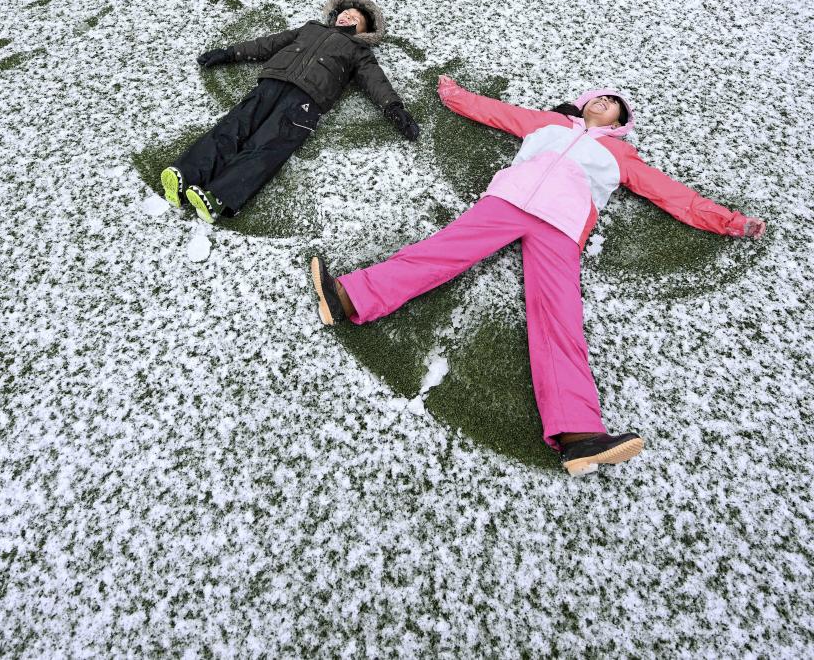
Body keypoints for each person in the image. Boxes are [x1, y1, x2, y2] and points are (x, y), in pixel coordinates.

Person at [310, 75, 766, 477]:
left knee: (558, 318)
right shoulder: (547, 124)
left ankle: (580, 434)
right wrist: (453, 94)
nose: (605, 104)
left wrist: (729, 221)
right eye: (601, 98)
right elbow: (496, 113)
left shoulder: (623, 156)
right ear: (585, 102)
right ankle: (347, 299)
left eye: (615, 105)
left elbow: (673, 196)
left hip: (563, 225)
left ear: (620, 121)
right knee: (439, 254)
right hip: (508, 202)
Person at [161, 0, 420, 223]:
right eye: (345, 13)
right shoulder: (311, 28)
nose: (347, 17)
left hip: (305, 102)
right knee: (233, 127)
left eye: (355, 18)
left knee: (267, 146)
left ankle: (218, 196)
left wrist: (395, 109)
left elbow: (376, 81)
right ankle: (185, 174)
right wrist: (229, 53)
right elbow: (269, 44)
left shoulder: (358, 51)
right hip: (272, 83)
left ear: (364, 30)